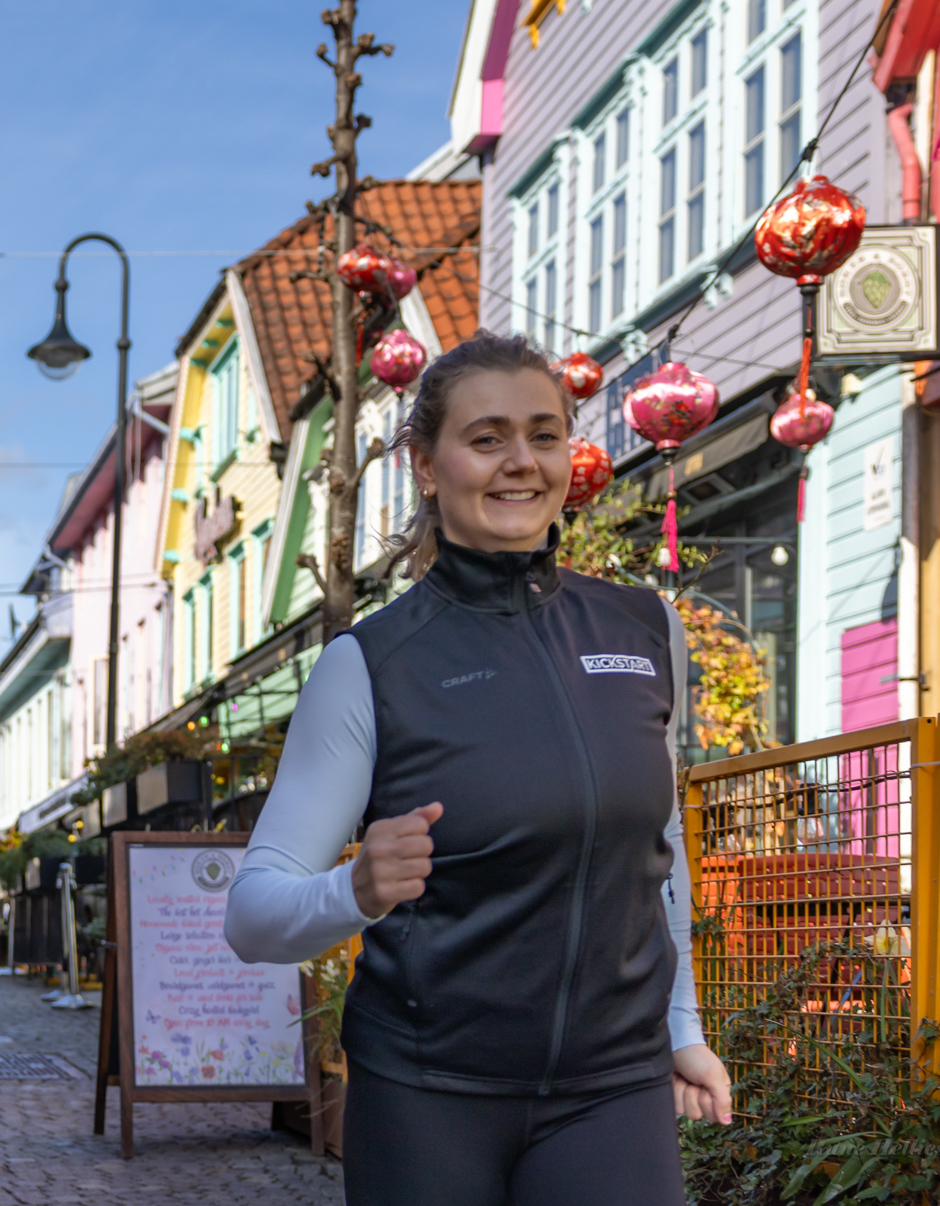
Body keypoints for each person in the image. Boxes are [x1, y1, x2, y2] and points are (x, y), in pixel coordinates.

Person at [223, 333, 732, 1206]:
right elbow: (252, 916)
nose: (521, 463)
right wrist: (358, 890)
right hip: (429, 1094)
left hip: (613, 1085)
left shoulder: (646, 633)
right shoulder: (372, 665)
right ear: (426, 464)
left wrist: (682, 1024)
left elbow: (658, 847)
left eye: (544, 434)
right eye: (487, 438)